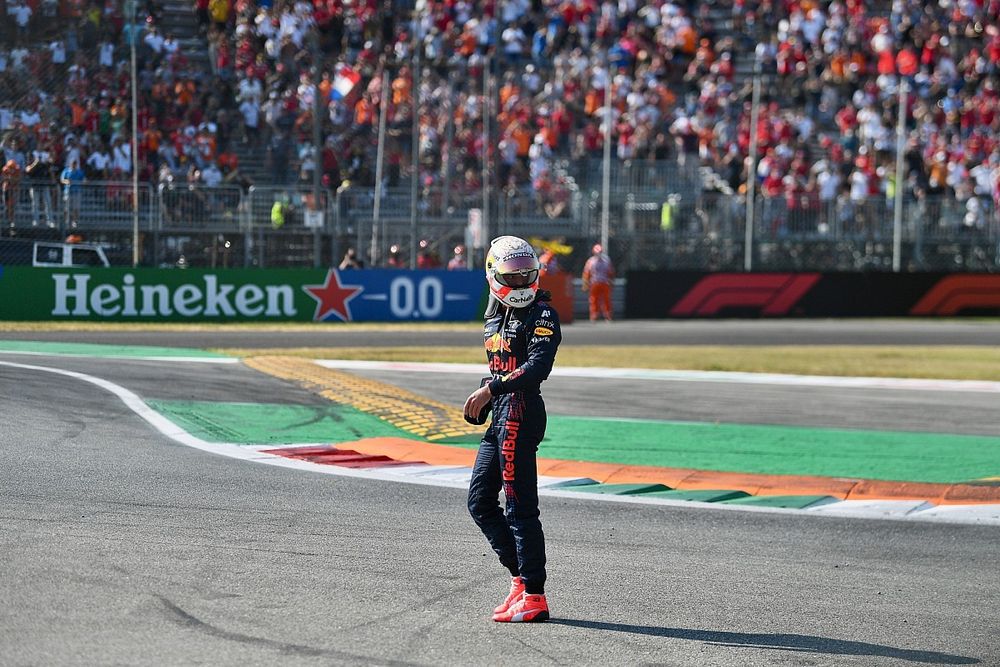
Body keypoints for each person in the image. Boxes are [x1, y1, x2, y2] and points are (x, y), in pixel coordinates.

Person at [464, 235, 561, 623]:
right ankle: (519, 580)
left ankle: (535, 595)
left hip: (522, 412)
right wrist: (487, 397)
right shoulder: (493, 316)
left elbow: (538, 367)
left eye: (527, 276)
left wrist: (493, 389)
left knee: (521, 509)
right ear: (494, 275)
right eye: (513, 277)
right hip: (500, 414)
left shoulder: (541, 313)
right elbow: (498, 368)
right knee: (480, 501)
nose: (521, 283)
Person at [581, 243, 615, 322]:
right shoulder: (591, 261)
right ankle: (594, 315)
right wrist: (585, 284)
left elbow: (611, 272)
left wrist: (611, 282)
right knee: (593, 299)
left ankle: (608, 315)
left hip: (605, 282)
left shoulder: (607, 260)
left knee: (606, 299)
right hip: (594, 282)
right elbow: (586, 273)